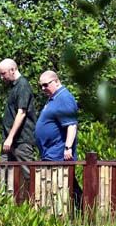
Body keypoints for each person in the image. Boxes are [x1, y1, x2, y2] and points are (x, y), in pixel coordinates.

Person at [35, 70, 82, 207]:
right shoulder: (53, 98)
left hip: (59, 153)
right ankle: (79, 211)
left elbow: (72, 125)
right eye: (41, 86)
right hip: (49, 152)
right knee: (62, 185)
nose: (43, 89)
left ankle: (83, 212)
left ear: (56, 81)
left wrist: (68, 148)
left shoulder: (64, 98)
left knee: (64, 185)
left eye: (45, 85)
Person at [0, 59, 38, 183]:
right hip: (9, 141)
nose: (1, 77)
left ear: (13, 70)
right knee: (2, 174)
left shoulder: (23, 85)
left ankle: (38, 200)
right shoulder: (14, 87)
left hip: (21, 140)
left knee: (28, 175)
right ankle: (1, 201)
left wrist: (10, 137)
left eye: (3, 73)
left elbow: (21, 113)